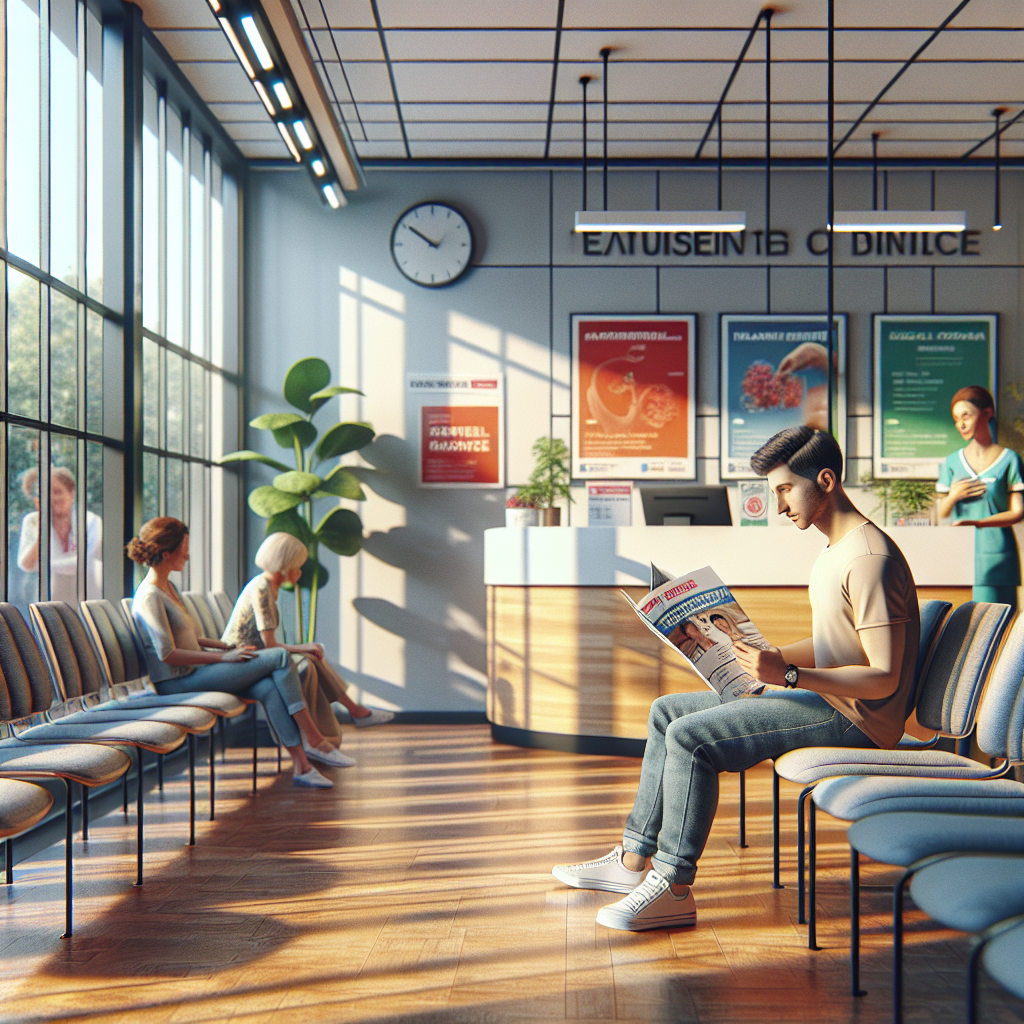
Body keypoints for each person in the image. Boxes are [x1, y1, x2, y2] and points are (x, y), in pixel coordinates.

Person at [551, 426, 919, 931]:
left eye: (785, 490)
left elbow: (883, 678)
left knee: (692, 736)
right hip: (827, 700)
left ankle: (673, 885)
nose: (780, 506)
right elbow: (844, 642)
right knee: (667, 712)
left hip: (857, 720)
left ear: (826, 479)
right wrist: (767, 658)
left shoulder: (869, 559)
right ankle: (633, 859)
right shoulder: (835, 550)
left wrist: (789, 673)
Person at [127, 516, 348, 788]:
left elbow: (190, 639)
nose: (187, 554)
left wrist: (226, 647)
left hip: (197, 673)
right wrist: (223, 658)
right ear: (166, 553)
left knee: (268, 687)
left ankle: (302, 766)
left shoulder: (169, 588)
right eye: (184, 548)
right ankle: (314, 739)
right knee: (278, 657)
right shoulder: (149, 596)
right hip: (176, 683)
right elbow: (167, 654)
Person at [221, 533, 393, 767]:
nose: (300, 572)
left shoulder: (268, 586)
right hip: (245, 663)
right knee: (308, 662)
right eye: (298, 566)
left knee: (310, 660)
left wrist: (304, 649)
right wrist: (303, 647)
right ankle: (331, 730)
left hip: (258, 657)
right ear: (286, 565)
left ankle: (341, 724)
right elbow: (270, 645)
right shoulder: (262, 590)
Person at [936, 385, 1024, 610]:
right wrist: (953, 496)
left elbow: (1018, 512)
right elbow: (940, 515)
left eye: (966, 415)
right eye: (956, 419)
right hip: (958, 554)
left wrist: (976, 523)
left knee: (1002, 627)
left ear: (987, 413)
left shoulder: (1009, 460)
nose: (961, 424)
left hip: (997, 557)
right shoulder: (951, 463)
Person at [17, 466, 102, 603]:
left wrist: (43, 566)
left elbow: (84, 562)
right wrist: (42, 529)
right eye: (46, 494)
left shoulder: (91, 521)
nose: (53, 498)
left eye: (57, 491)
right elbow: (25, 564)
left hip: (87, 595)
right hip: (48, 599)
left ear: (71, 494)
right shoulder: (33, 521)